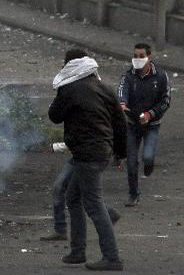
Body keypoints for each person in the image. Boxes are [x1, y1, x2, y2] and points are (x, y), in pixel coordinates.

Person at [49, 49, 126, 271]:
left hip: (86, 154)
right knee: (73, 198)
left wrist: (62, 93)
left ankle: (112, 258)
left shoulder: (69, 89)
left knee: (93, 204)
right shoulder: (105, 88)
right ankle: (78, 251)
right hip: (102, 151)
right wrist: (120, 153)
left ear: (69, 67)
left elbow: (54, 116)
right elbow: (120, 122)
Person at [117, 43, 170, 207]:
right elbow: (121, 92)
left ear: (149, 57)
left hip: (152, 124)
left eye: (141, 56)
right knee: (131, 162)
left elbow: (165, 101)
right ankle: (133, 195)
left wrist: (150, 115)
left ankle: (149, 164)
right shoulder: (128, 76)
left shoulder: (160, 76)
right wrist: (122, 104)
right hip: (133, 124)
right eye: (135, 56)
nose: (137, 59)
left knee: (147, 156)